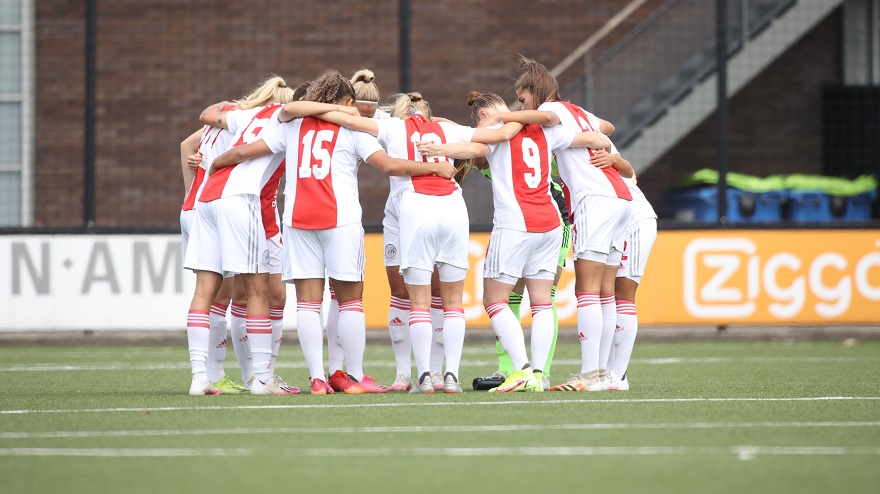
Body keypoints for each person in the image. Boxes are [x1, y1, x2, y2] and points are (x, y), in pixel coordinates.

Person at [211, 70, 455, 395]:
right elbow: (390, 165)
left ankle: (316, 379)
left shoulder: (292, 126)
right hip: (340, 219)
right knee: (350, 300)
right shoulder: (350, 127)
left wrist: (214, 164)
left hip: (298, 219)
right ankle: (352, 377)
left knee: (309, 304)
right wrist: (434, 167)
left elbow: (243, 152)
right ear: (346, 101)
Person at [285, 91, 523, 393]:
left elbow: (341, 118)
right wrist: (454, 146)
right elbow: (495, 138)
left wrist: (329, 109)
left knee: (418, 302)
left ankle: (423, 375)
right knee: (452, 303)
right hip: (452, 206)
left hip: (414, 208)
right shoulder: (448, 129)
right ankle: (449, 375)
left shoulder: (393, 127)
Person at [417, 91, 611, 393]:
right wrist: (607, 154)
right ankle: (538, 374)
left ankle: (518, 369)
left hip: (516, 225)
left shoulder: (496, 132)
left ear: (482, 116)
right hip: (550, 222)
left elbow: (470, 147)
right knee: (543, 302)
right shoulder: (548, 130)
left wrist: (438, 146)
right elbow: (598, 138)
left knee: (494, 300)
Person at [484, 56, 634, 391]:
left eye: (522, 99)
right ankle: (606, 375)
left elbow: (545, 115)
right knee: (606, 292)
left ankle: (590, 375)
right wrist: (592, 136)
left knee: (587, 290)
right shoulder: (578, 112)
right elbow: (608, 127)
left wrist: (502, 116)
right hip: (620, 197)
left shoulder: (556, 112)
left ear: (535, 94)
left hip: (596, 198)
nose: (521, 106)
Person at [184, 75, 294, 395]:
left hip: (205, 198)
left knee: (205, 291)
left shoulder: (246, 114)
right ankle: (261, 378)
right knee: (255, 290)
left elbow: (206, 115)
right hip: (239, 200)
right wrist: (219, 160)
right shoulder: (286, 124)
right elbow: (241, 153)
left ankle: (199, 377)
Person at [602, 168, 657, 391]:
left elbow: (626, 168)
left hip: (632, 220)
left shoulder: (584, 138)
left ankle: (619, 374)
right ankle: (605, 372)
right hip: (611, 221)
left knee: (623, 293)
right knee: (605, 294)